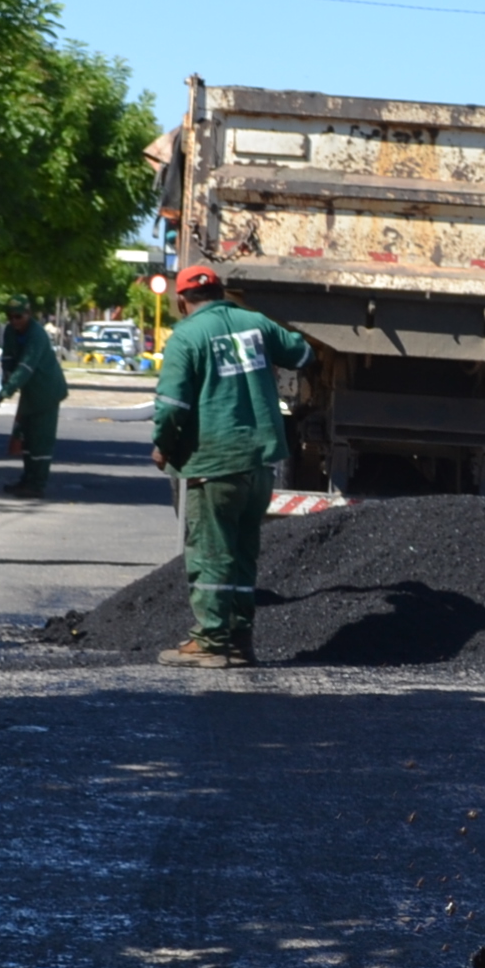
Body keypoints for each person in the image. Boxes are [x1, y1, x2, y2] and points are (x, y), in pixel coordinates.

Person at [147, 262, 308, 668]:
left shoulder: (186, 336)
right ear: (220, 292)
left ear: (182, 300)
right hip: (259, 462)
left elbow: (171, 405)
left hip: (213, 461)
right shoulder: (255, 323)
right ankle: (240, 640)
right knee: (241, 553)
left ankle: (211, 641)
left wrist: (163, 446)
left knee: (209, 553)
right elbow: (302, 352)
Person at [0, 297, 69, 499]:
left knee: (40, 440)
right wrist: (5, 377)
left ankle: (37, 484)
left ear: (28, 314)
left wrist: (8, 390)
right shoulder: (10, 331)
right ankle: (27, 479)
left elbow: (26, 366)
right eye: (10, 317)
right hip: (29, 392)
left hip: (47, 391)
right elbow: (8, 358)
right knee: (27, 438)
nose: (14, 321)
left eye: (18, 316)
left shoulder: (37, 335)